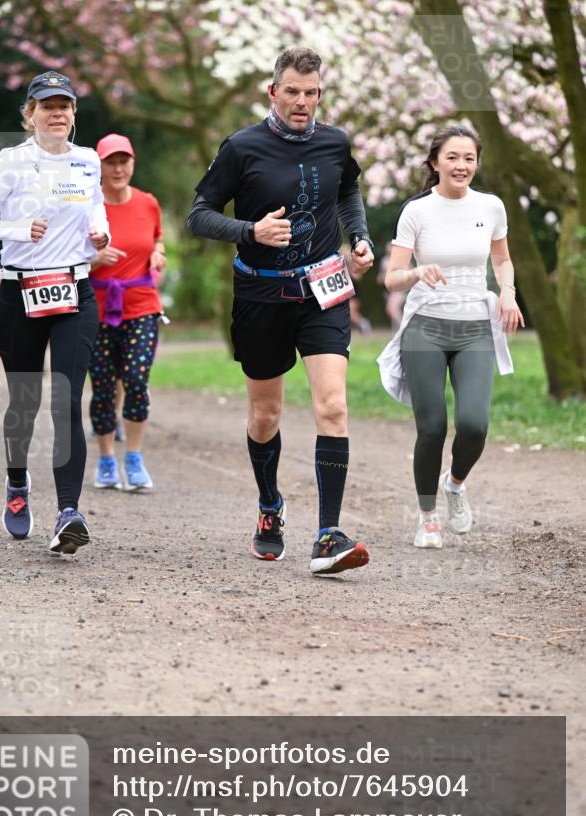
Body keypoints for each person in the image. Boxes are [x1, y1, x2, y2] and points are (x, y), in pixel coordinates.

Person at [188, 46, 374, 576]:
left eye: (311, 93)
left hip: (322, 289)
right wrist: (251, 232)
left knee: (333, 406)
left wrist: (357, 237)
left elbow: (348, 189)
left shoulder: (335, 142)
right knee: (265, 415)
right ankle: (270, 506)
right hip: (261, 294)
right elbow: (198, 216)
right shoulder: (242, 147)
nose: (302, 102)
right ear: (273, 91)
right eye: (292, 91)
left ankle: (328, 534)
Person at [0, 70, 109, 554]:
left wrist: (100, 234)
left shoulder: (88, 161)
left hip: (73, 292)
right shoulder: (11, 162)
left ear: (73, 114)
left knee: (66, 399)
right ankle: (18, 484)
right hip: (21, 295)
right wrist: (20, 228)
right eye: (47, 105)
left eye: (64, 105)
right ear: (31, 115)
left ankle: (69, 512)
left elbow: (96, 209)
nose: (57, 112)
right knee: (23, 403)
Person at [377, 125, 523, 549]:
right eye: (453, 157)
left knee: (475, 425)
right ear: (435, 162)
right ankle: (426, 518)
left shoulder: (491, 206)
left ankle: (455, 484)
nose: (461, 166)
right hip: (426, 326)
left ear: (477, 162)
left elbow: (502, 260)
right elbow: (391, 279)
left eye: (469, 158)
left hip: (475, 326)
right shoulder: (417, 211)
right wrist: (417, 272)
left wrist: (508, 294)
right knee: (433, 427)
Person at [88, 133, 166, 491]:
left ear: (133, 163)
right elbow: (62, 255)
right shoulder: (87, 206)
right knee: (103, 389)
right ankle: (106, 459)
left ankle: (133, 457)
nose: (117, 169)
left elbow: (157, 239)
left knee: (136, 381)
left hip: (141, 306)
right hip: (97, 308)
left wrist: (158, 254)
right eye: (110, 162)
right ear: (99, 166)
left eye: (123, 161)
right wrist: (93, 258)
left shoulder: (149, 203)